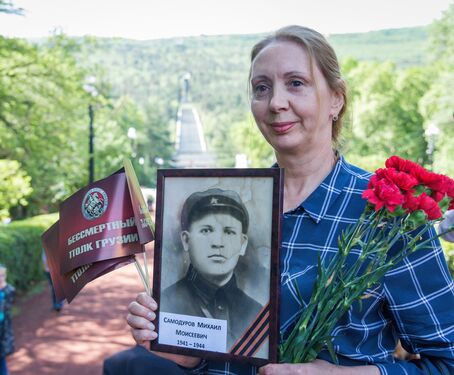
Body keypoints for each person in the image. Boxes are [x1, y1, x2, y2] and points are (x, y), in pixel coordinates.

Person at [104, 25, 454, 374]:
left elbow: (446, 361)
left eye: (296, 83)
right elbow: (217, 357)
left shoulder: (387, 218)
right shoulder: (242, 203)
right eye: (262, 88)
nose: (276, 103)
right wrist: (187, 355)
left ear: (336, 98)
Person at [160, 188, 263, 350]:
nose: (218, 243)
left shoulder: (258, 314)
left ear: (242, 244)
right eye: (206, 230)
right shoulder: (164, 305)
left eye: (229, 232)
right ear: (186, 240)